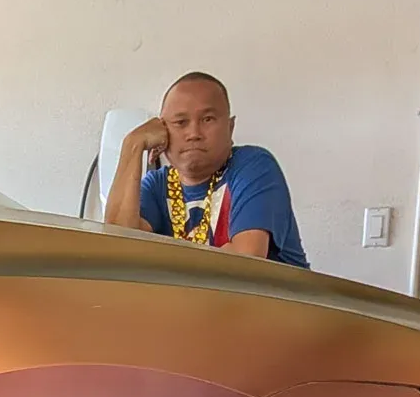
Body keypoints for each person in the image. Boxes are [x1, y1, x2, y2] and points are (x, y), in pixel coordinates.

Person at [103, 72, 309, 268]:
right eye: (180, 122)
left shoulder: (253, 166)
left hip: (273, 295)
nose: (194, 133)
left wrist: (153, 260)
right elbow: (118, 249)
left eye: (207, 119)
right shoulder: (157, 184)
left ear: (230, 128)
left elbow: (245, 260)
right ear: (162, 131)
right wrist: (133, 144)